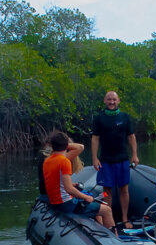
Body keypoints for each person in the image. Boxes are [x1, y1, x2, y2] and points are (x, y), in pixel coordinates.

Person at [42, 131, 116, 229]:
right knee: (107, 210)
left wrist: (72, 185)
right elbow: (69, 189)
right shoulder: (64, 161)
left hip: (56, 203)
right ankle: (113, 239)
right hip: (67, 205)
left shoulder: (47, 161)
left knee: (96, 207)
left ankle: (101, 229)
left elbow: (55, 183)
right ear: (66, 145)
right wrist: (85, 197)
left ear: (52, 146)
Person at [91, 90, 139, 229]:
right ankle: (109, 218)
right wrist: (94, 158)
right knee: (107, 190)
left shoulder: (125, 117)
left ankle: (124, 219)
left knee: (124, 189)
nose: (111, 102)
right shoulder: (99, 118)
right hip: (106, 160)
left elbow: (131, 136)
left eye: (114, 99)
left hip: (122, 159)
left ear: (118, 101)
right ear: (105, 101)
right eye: (109, 99)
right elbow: (95, 138)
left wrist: (135, 154)